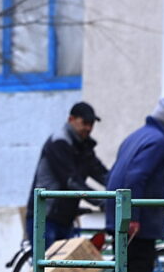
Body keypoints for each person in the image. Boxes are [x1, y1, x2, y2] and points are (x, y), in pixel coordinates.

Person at [103, 97, 164, 272]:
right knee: (138, 265)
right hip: (139, 218)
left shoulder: (137, 136)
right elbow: (136, 176)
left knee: (122, 264)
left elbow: (117, 172)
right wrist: (132, 216)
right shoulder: (158, 141)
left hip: (118, 210)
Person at [26, 101, 108, 250]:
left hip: (65, 219)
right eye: (85, 123)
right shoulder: (59, 142)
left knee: (65, 264)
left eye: (91, 124)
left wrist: (120, 189)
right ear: (71, 119)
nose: (89, 128)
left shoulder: (83, 146)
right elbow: (72, 181)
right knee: (48, 264)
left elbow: (101, 173)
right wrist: (102, 201)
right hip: (45, 218)